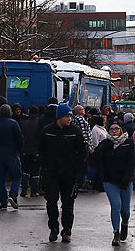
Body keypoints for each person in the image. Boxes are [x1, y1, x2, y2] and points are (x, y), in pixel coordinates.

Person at [38, 104, 86, 243]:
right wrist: (45, 167)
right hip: (51, 173)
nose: (69, 119)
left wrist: (77, 170)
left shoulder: (75, 131)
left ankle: (67, 230)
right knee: (51, 201)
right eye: (67, 116)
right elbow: (41, 150)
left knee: (68, 204)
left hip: (69, 174)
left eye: (70, 116)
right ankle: (53, 228)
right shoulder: (47, 131)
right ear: (59, 117)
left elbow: (82, 152)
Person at [96, 121, 135, 246]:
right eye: (111, 129)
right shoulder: (106, 143)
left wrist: (127, 179)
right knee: (116, 205)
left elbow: (132, 163)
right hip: (110, 180)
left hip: (125, 181)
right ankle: (116, 233)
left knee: (125, 211)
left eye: (116, 129)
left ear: (121, 130)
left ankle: (124, 223)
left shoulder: (129, 144)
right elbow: (95, 158)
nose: (114, 131)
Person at [0, 104, 24, 210]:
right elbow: (19, 138)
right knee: (16, 176)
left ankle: (3, 201)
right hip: (12, 154)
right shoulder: (13, 123)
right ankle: (13, 195)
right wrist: (20, 150)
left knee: (0, 179)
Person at [19, 106, 41, 197]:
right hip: (36, 151)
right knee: (35, 172)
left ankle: (24, 190)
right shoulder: (39, 124)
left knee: (25, 171)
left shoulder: (23, 123)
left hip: (25, 150)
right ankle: (33, 191)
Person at [71, 105, 93, 192]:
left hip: (76, 147)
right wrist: (88, 146)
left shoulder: (74, 119)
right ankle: (80, 185)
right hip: (83, 147)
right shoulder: (81, 119)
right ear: (79, 111)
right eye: (82, 109)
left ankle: (76, 184)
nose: (84, 111)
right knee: (83, 167)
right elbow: (84, 134)